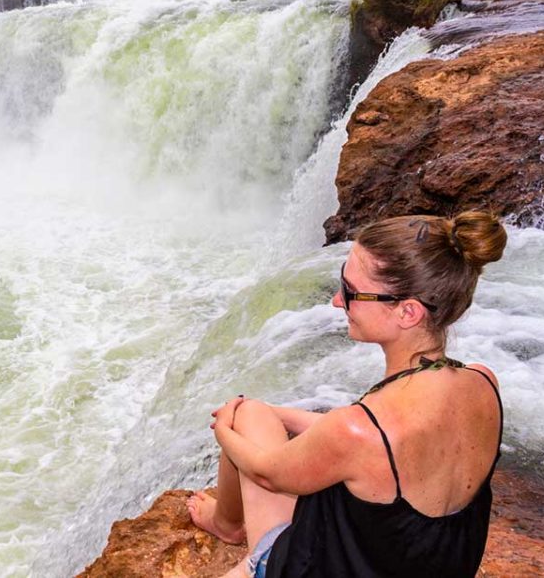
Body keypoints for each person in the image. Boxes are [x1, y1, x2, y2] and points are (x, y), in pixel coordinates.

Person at [187, 211, 507, 578]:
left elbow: (265, 474)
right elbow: (383, 446)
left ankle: (229, 527)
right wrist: (284, 415)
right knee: (262, 413)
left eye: (351, 291)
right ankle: (227, 524)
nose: (338, 301)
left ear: (407, 312)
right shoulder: (483, 383)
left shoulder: (359, 432)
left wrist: (226, 427)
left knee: (247, 416)